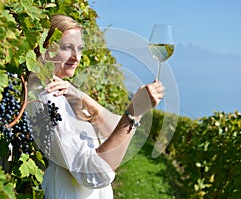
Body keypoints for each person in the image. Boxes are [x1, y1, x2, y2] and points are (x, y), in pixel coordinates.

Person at [27, 14, 165, 199]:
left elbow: (112, 130)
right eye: (67, 48)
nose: (77, 57)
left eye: (80, 49)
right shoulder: (45, 98)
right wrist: (135, 112)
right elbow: (93, 173)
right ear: (46, 48)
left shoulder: (62, 91)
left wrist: (81, 96)